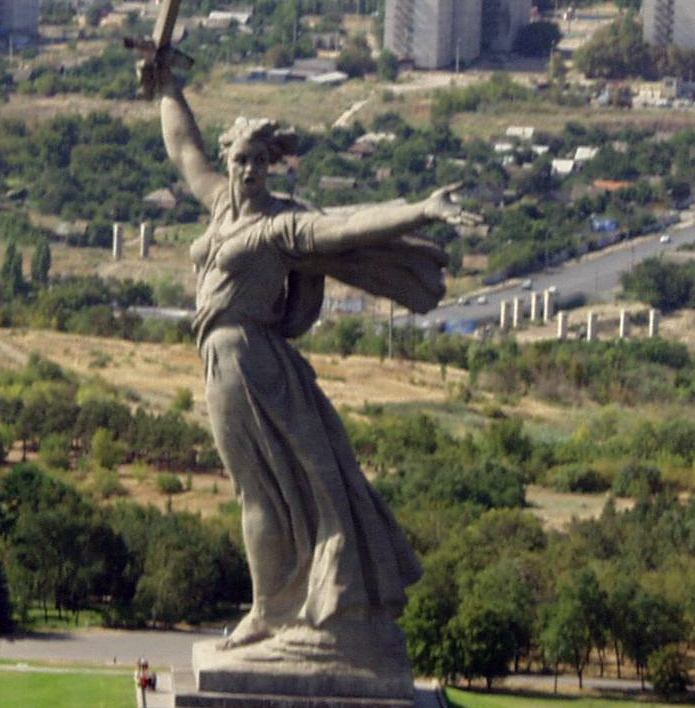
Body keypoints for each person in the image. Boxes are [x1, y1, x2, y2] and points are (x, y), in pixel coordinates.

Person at [147, 63, 475, 665]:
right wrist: (168, 86)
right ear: (231, 161)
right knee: (264, 493)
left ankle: (269, 612)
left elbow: (348, 226)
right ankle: (272, 608)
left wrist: (422, 210)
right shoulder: (221, 207)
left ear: (271, 168)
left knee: (269, 494)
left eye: (259, 162)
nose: (249, 170)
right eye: (241, 159)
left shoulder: (283, 227)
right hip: (223, 360)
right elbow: (184, 150)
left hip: (252, 363)